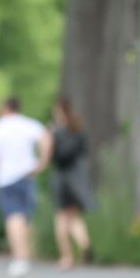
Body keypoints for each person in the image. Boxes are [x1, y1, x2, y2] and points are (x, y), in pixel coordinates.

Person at [0, 97, 52, 277]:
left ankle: (20, 259)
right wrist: (42, 163)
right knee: (26, 216)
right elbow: (46, 138)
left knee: (13, 217)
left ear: (4, 108)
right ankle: (27, 254)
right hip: (28, 175)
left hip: (6, 178)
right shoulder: (28, 125)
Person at [50, 96, 94, 268]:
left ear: (59, 111)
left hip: (62, 179)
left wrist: (50, 138)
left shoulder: (57, 132)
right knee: (74, 216)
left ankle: (66, 256)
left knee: (61, 218)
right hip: (77, 179)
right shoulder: (78, 130)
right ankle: (85, 245)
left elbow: (57, 157)